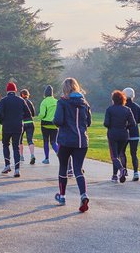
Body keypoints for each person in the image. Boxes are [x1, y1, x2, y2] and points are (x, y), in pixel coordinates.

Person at [53, 77, 92, 212]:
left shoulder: (62, 102)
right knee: (78, 169)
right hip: (82, 140)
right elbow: (88, 123)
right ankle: (83, 195)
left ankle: (62, 196)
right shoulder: (85, 103)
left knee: (63, 167)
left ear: (65, 89)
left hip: (65, 139)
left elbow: (58, 121)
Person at [0, 82, 29, 177]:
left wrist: (2, 121)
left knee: (5, 144)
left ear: (7, 90)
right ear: (15, 90)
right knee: (16, 147)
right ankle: (17, 169)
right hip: (18, 126)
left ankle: (7, 165)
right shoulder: (21, 100)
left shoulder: (4, 100)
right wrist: (21, 117)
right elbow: (28, 113)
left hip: (7, 125)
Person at [104, 90, 136, 183]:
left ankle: (121, 170)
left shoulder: (109, 109)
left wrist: (111, 126)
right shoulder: (127, 109)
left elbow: (106, 123)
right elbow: (133, 123)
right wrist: (125, 127)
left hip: (113, 134)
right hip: (124, 134)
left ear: (113, 99)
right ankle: (114, 175)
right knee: (117, 155)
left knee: (114, 156)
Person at [121, 87, 140, 181]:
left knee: (122, 152)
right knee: (134, 153)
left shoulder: (122, 106)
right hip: (134, 132)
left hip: (124, 132)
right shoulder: (136, 106)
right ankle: (136, 173)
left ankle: (124, 170)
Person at [38, 85, 59, 164]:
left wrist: (39, 117)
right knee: (53, 142)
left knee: (46, 141)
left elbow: (42, 114)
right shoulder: (56, 101)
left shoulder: (44, 102)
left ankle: (46, 158)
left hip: (45, 124)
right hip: (55, 124)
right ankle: (59, 154)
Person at [19, 89, 36, 164]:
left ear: (21, 95)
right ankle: (32, 155)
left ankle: (21, 156)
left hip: (22, 123)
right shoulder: (30, 102)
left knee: (20, 140)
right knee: (30, 140)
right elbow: (33, 114)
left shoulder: (20, 102)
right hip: (30, 122)